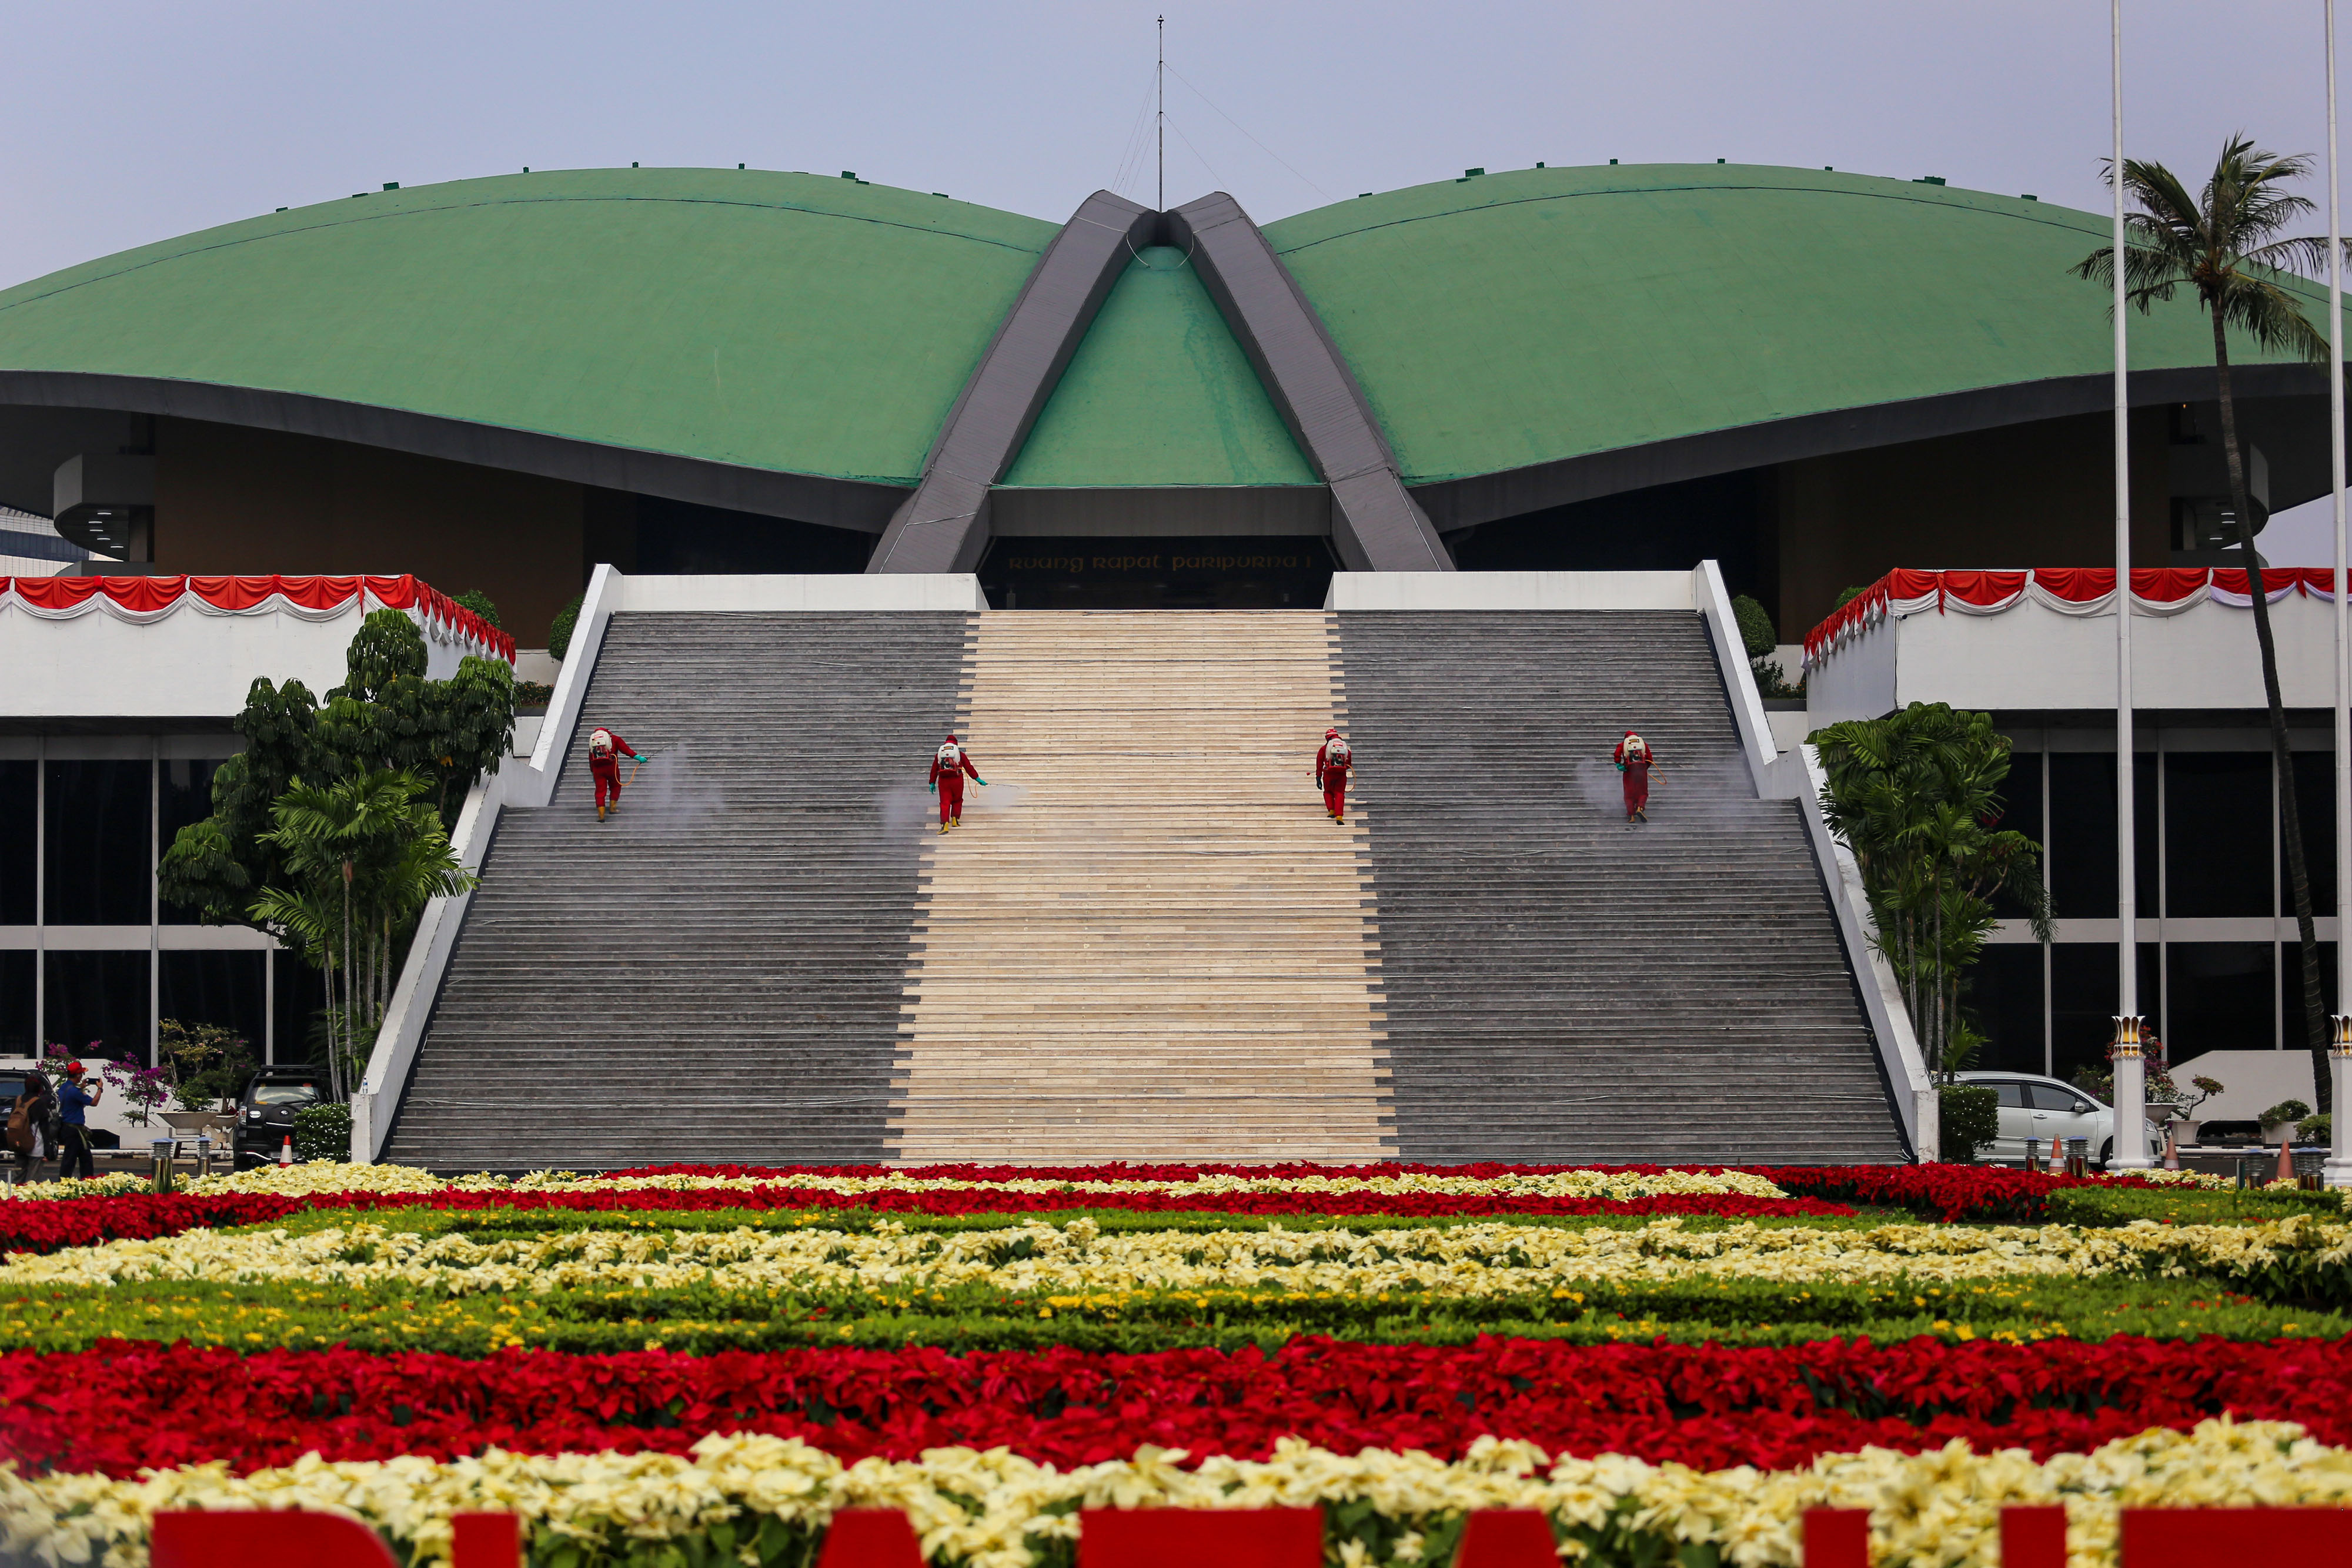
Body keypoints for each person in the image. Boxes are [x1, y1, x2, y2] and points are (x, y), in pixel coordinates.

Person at [928, 733, 983, 833]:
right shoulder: (960, 755)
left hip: (944, 781)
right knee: (957, 800)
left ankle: (945, 825)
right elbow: (969, 768)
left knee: (945, 803)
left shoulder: (939, 755)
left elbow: (934, 769)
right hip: (957, 780)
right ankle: (955, 820)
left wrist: (932, 783)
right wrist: (978, 779)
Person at [54, 1061, 99, 1181]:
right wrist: (100, 1089)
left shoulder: (63, 1088)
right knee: (72, 1159)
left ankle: (82, 1180)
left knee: (83, 1157)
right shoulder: (75, 1092)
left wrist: (82, 1088)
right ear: (78, 1076)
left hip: (67, 1128)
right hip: (75, 1130)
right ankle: (66, 1181)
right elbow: (94, 1102)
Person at [6, 1069, 53, 1186]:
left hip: (19, 1143)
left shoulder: (18, 1101)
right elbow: (44, 1128)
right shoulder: (39, 1103)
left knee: (18, 1177)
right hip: (36, 1145)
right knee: (33, 1181)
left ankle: (14, 1196)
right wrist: (48, 1149)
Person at [587, 727, 639, 822]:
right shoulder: (615, 739)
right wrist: (637, 757)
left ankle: (601, 816)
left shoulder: (593, 741)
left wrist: (592, 772)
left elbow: (591, 758)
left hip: (598, 769)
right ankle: (613, 808)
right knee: (615, 786)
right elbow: (626, 750)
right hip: (612, 768)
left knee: (600, 791)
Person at [1613, 731, 1655, 824]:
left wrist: (1619, 764)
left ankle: (1631, 816)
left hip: (1629, 771)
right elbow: (1650, 758)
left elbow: (1617, 754)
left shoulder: (1623, 744)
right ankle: (1640, 808)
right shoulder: (1643, 744)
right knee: (1643, 792)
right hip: (1641, 771)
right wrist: (1644, 768)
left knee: (1629, 795)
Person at [1315, 728, 1354, 825]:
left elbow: (1319, 764)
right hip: (1341, 775)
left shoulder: (1324, 749)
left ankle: (1332, 811)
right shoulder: (1345, 749)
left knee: (1328, 792)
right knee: (1340, 794)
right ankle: (1339, 816)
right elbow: (1348, 764)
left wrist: (1318, 777)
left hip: (1328, 774)